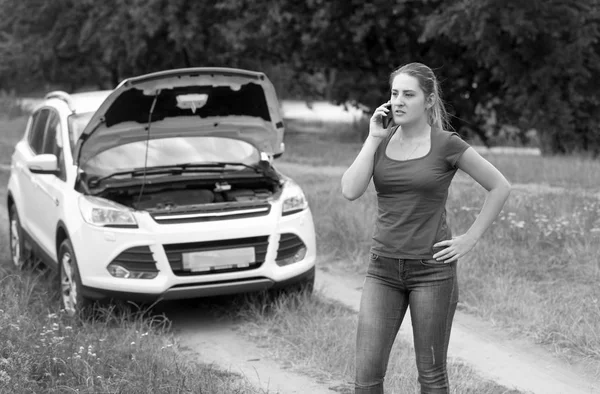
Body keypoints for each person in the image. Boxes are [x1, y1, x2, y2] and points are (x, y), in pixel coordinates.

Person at [341, 62, 511, 394]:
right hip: (383, 270)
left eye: (409, 94)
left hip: (432, 272)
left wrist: (469, 238)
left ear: (429, 100)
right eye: (394, 94)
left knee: (431, 377)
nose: (398, 101)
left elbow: (500, 186)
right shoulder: (381, 140)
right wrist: (373, 138)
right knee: (366, 378)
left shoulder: (447, 144)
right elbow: (350, 190)